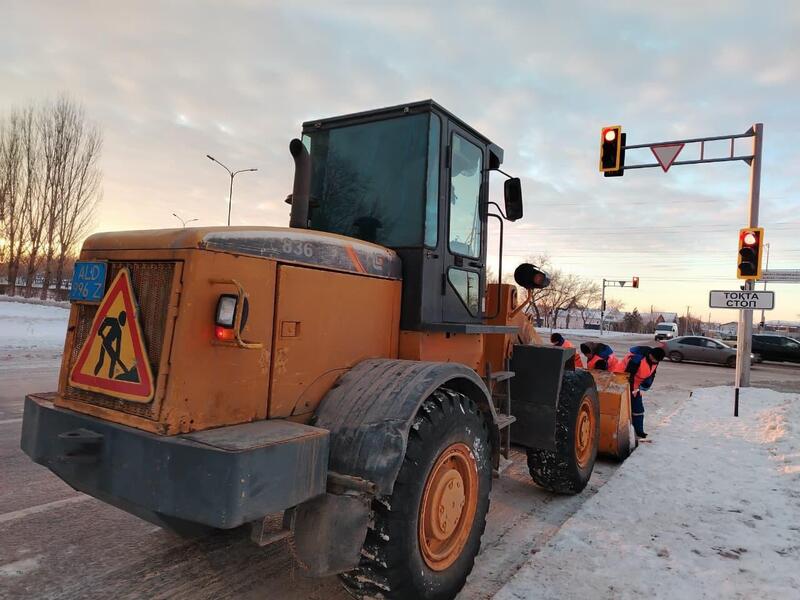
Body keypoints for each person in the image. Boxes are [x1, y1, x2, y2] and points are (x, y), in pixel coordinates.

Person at [612, 346, 665, 439]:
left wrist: (643, 387)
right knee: (622, 409)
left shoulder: (655, 361)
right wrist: (632, 390)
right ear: (650, 354)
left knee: (638, 410)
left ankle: (639, 431)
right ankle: (617, 432)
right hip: (621, 380)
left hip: (635, 385)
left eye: (657, 361)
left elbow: (652, 374)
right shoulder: (637, 358)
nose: (655, 361)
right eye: (654, 359)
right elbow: (629, 375)